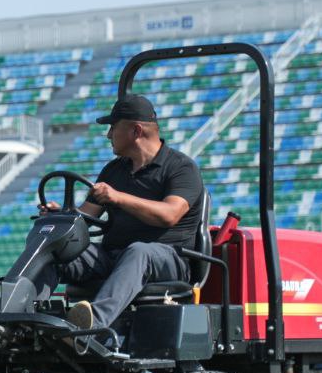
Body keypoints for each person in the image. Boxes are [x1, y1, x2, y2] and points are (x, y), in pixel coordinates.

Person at [37, 94, 205, 331]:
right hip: (113, 256)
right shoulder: (113, 170)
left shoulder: (180, 168)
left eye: (113, 128)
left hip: (169, 258)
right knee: (56, 247)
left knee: (138, 251)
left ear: (136, 131)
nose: (108, 135)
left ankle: (91, 324)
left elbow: (170, 214)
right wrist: (61, 216)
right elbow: (85, 216)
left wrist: (118, 197)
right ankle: (19, 314)